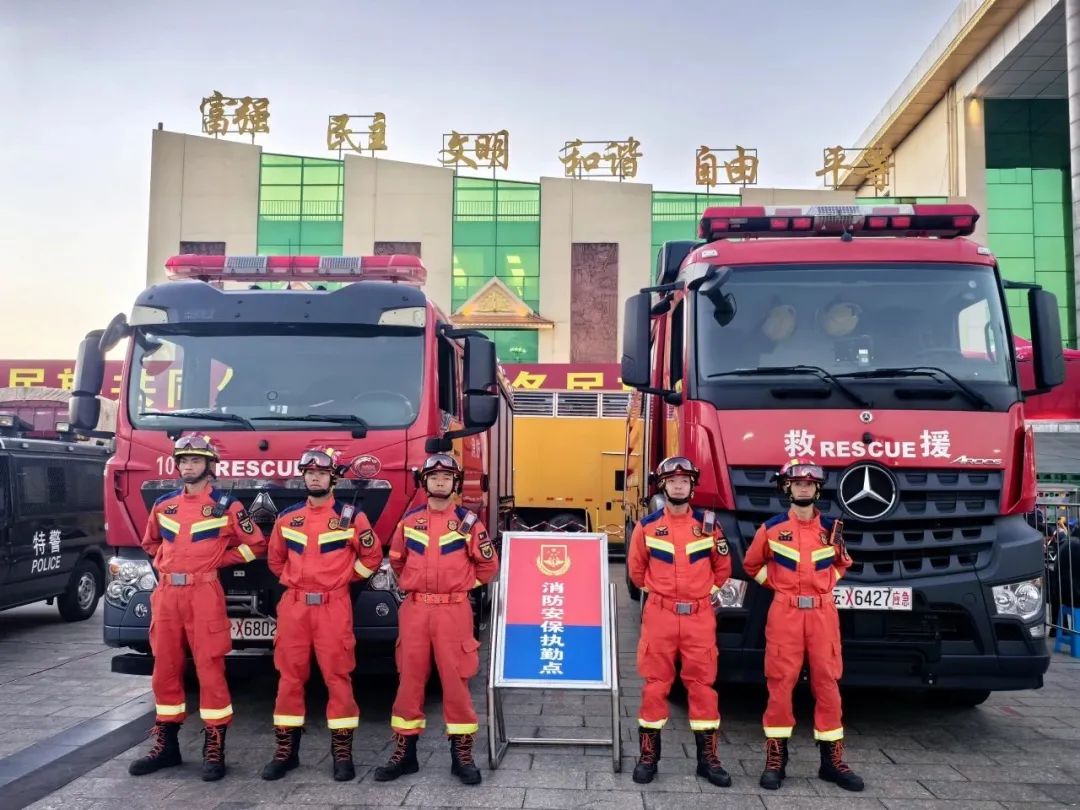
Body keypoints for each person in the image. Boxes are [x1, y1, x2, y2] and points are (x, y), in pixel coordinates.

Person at [129, 434, 265, 781]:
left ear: (209, 465)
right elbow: (150, 543)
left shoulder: (227, 505)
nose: (188, 466)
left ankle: (214, 748)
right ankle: (166, 747)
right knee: (164, 669)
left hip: (204, 593)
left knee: (210, 668)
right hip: (167, 595)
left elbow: (256, 545)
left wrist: (220, 560)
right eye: (183, 460)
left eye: (195, 460)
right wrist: (167, 564)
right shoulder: (163, 505)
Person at [373, 454, 499, 785]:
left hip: (453, 612)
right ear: (424, 482)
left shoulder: (468, 523)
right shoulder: (409, 522)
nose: (440, 481)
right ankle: (405, 754)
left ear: (455, 483)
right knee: (409, 681)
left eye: (446, 477)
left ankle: (462, 755)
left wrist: (460, 586)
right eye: (434, 477)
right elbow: (397, 562)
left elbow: (488, 567)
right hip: (415, 611)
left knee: (456, 682)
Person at [261, 448, 384, 782]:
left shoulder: (351, 517)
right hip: (295, 607)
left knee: (338, 678)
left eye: (321, 473)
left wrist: (345, 579)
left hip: (333, 607)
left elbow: (372, 556)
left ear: (334, 478)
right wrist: (297, 584)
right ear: (304, 477)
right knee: (289, 679)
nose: (315, 478)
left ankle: (342, 754)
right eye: (310, 473)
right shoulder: (288, 518)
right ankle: (286, 753)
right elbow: (275, 560)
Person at [743, 459, 864, 792]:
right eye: (797, 484)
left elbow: (842, 564)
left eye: (809, 484)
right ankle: (775, 760)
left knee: (828, 684)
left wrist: (825, 586)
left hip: (823, 615)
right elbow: (752, 565)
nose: (803, 488)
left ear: (817, 489)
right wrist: (779, 587)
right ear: (787, 488)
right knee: (780, 684)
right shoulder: (771, 529)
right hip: (786, 614)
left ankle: (832, 762)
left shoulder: (832, 529)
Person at [627, 456, 733, 787]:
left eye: (684, 481)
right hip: (660, 616)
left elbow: (723, 567)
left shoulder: (708, 525)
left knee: (702, 687)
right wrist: (662, 597)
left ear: (691, 486)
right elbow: (636, 571)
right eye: (672, 481)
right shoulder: (646, 527)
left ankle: (708, 760)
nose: (678, 486)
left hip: (699, 617)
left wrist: (702, 595)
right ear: (663, 486)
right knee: (654, 686)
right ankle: (648, 757)